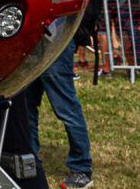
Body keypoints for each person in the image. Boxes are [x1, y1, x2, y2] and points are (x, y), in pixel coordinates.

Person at [27, 37, 94, 189]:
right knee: (27, 109)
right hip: (31, 41)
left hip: (55, 41)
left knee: (66, 109)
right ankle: (31, 164)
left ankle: (81, 169)